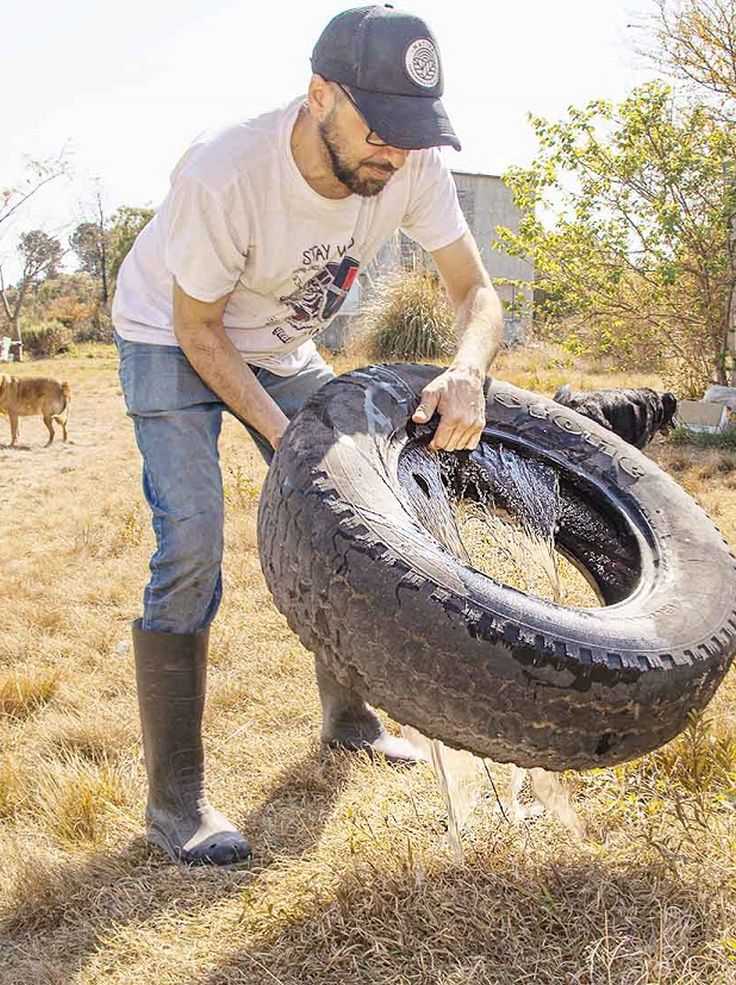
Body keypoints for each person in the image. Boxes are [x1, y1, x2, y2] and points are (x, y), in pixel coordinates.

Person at [111, 5, 504, 866]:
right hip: (172, 333)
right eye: (380, 128)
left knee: (356, 511)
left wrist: (467, 367)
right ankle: (175, 802)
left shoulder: (410, 163)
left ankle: (349, 723)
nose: (393, 153)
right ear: (320, 94)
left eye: (412, 133)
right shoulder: (229, 173)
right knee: (192, 543)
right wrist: (286, 436)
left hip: (279, 342)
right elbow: (200, 330)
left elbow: (477, 293)